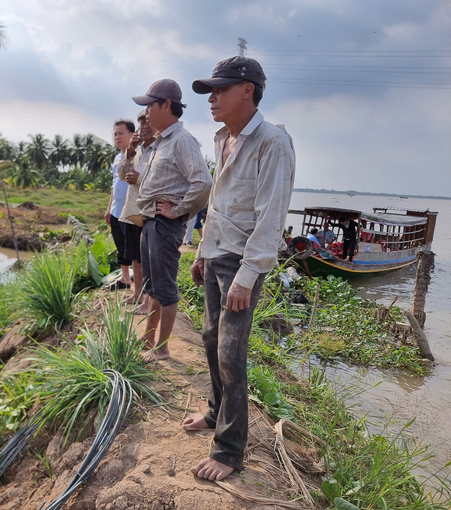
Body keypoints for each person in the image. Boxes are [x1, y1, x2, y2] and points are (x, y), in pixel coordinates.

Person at [185, 56, 295, 481]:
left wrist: (247, 276)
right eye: (209, 92)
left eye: (220, 90)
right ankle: (215, 412)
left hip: (241, 260)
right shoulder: (222, 139)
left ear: (247, 91)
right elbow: (218, 203)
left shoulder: (272, 142)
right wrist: (200, 251)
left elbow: (271, 217)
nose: (211, 99)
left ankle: (229, 451)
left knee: (232, 353)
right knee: (211, 337)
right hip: (215, 252)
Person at [131, 78, 212, 361]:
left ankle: (162, 348)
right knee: (152, 286)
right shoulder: (159, 143)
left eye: (150, 106)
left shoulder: (182, 140)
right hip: (151, 221)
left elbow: (202, 182)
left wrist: (178, 211)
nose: (147, 112)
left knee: (165, 288)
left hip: (165, 224)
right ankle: (149, 338)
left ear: (166, 105)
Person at [118, 110, 155, 314]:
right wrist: (129, 152)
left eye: (148, 123)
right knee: (135, 257)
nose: (144, 128)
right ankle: (138, 292)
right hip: (133, 210)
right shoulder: (139, 151)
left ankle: (147, 299)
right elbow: (123, 175)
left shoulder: (160, 150)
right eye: (141, 124)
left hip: (148, 211)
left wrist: (139, 179)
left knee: (147, 258)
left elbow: (164, 180)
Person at [104, 120, 135, 290]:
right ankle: (125, 279)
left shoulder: (139, 156)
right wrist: (109, 209)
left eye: (120, 133)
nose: (117, 137)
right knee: (120, 244)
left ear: (132, 134)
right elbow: (114, 185)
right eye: (115, 134)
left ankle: (140, 283)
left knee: (134, 249)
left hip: (131, 211)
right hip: (116, 210)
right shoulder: (117, 158)